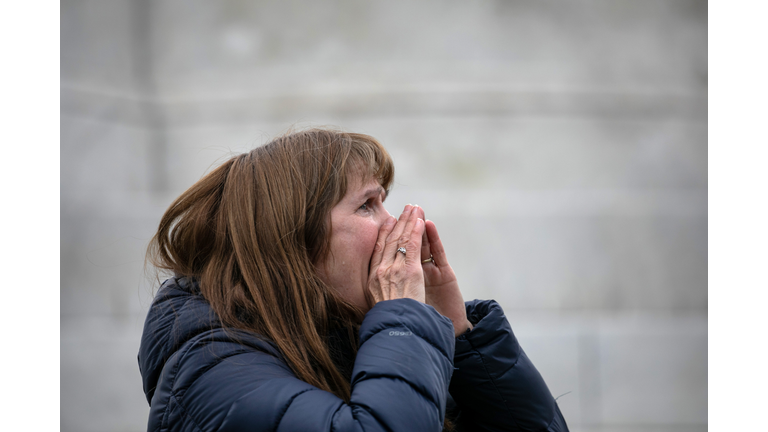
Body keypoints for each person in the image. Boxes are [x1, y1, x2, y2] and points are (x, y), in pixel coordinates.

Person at [138, 128, 569, 432]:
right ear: (291, 242)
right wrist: (402, 321)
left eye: (386, 201)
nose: (394, 225)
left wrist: (460, 339)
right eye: (367, 206)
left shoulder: (364, 341)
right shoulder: (213, 372)